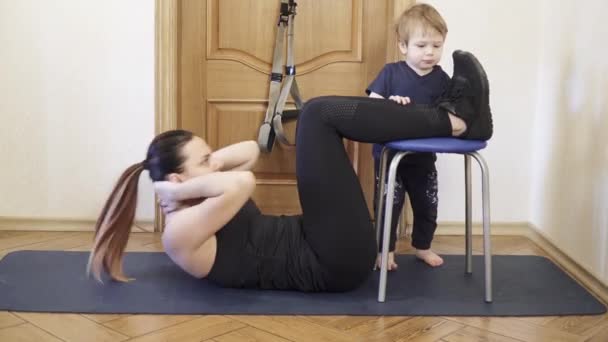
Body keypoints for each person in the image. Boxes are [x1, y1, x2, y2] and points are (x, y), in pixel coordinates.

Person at [87, 50, 492, 292]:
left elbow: (248, 152)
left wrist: (202, 169)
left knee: (317, 114)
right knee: (316, 115)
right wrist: (174, 194)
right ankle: (453, 121)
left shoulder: (196, 195)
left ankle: (450, 119)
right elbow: (243, 182)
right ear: (176, 182)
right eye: (204, 160)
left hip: (320, 240)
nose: (215, 162)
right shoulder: (179, 231)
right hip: (330, 262)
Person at [367, 3, 450, 270]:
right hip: (389, 156)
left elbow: (450, 115)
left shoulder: (443, 80)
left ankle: (422, 247)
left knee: (427, 205)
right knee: (388, 205)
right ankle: (385, 251)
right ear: (403, 46)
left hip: (423, 158)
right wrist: (390, 103)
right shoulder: (390, 73)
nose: (430, 52)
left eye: (436, 46)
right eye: (422, 45)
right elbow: (371, 106)